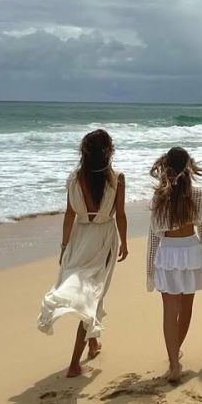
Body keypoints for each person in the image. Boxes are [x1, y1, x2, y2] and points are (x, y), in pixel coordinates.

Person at [37, 129, 128, 376]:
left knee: (86, 291)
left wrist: (65, 246)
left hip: (79, 238)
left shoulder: (74, 178)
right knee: (93, 295)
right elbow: (120, 215)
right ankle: (75, 363)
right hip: (104, 239)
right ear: (109, 151)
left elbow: (69, 215)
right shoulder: (116, 179)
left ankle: (93, 342)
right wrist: (125, 243)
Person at [146, 147, 202, 382]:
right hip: (193, 252)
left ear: (165, 167)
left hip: (168, 254)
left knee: (169, 311)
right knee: (186, 309)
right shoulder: (198, 195)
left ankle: (174, 362)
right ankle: (175, 353)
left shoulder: (159, 197)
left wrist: (149, 270)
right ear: (189, 166)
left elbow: (154, 235)